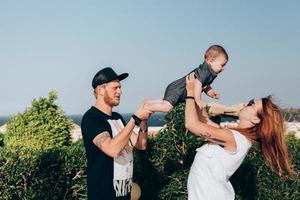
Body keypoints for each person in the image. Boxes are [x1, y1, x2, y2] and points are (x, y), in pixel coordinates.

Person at [184, 73, 294, 200]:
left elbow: (191, 124)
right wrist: (198, 92)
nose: (246, 103)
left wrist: (190, 92)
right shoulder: (237, 138)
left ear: (256, 119)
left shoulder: (234, 138)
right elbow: (204, 123)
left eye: (251, 104)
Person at [81, 67, 152, 200]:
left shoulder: (118, 117)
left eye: (120, 88)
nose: (120, 92)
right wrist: (135, 119)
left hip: (124, 194)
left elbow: (141, 145)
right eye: (115, 88)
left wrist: (143, 121)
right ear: (100, 90)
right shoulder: (91, 118)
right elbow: (112, 149)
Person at [143, 44, 228, 113]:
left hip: (178, 89)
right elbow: (198, 84)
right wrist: (198, 100)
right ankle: (147, 107)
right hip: (178, 90)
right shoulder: (205, 71)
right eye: (222, 65)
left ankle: (148, 102)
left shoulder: (209, 73)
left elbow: (205, 87)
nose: (223, 68)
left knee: (165, 103)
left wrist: (212, 94)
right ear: (211, 61)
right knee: (167, 108)